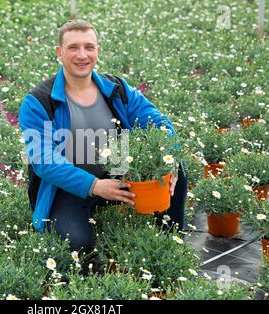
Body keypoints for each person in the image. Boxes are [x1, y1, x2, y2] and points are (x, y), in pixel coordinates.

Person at [18, 20, 188, 273]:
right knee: (78, 245)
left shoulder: (116, 89)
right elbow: (45, 162)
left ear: (98, 50)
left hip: (119, 177)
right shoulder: (38, 101)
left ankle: (170, 240)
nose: (82, 55)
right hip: (71, 188)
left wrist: (170, 160)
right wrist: (95, 186)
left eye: (89, 47)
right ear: (59, 52)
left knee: (177, 173)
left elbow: (159, 122)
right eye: (73, 47)